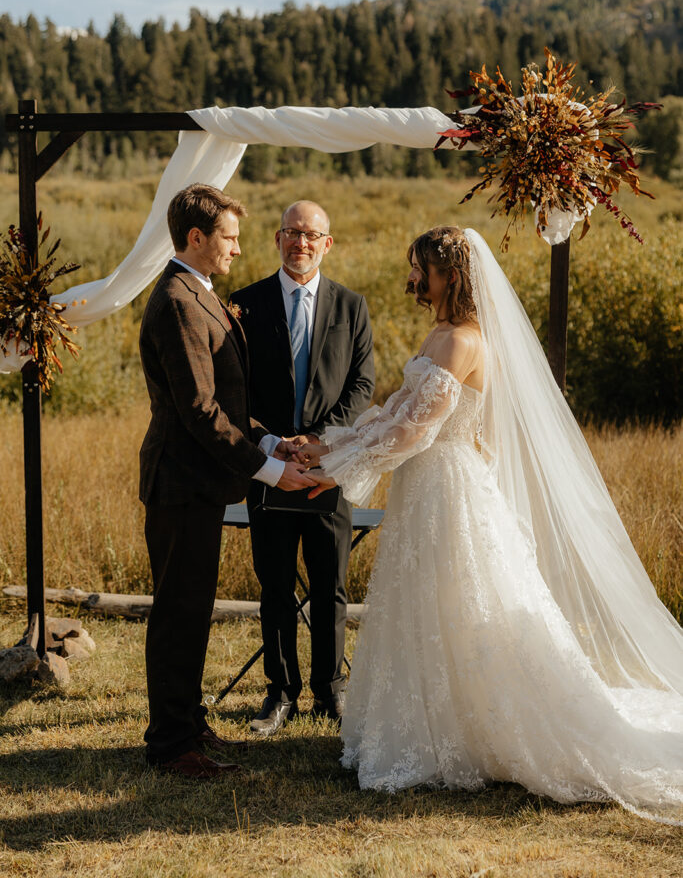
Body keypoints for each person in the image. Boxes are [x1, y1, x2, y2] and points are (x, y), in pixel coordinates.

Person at [302, 225, 683, 824]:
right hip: (424, 486)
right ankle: (436, 724)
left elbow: (415, 431)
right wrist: (327, 447)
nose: (414, 277)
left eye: (421, 267)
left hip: (449, 489)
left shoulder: (463, 341)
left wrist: (335, 473)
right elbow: (394, 413)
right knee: (425, 603)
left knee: (465, 603)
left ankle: (480, 731)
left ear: (450, 275)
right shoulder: (441, 333)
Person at [139, 183, 315, 778]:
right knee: (179, 612)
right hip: (181, 482)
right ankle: (171, 746)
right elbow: (198, 410)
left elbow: (229, 404)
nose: (238, 249)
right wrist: (270, 471)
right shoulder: (178, 301)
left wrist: (269, 440)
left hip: (201, 484)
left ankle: (189, 726)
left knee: (193, 609)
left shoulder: (200, 292)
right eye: (229, 238)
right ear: (197, 237)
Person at [233, 200, 374, 735]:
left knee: (330, 586)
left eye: (312, 234)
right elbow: (235, 388)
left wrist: (319, 440)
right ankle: (280, 692)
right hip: (268, 465)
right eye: (292, 232)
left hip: (328, 471)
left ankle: (330, 690)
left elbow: (362, 383)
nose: (301, 243)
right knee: (274, 586)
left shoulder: (351, 306)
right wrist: (272, 442)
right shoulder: (244, 304)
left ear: (327, 243)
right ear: (277, 238)